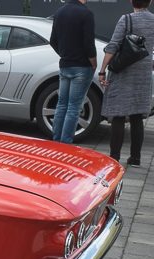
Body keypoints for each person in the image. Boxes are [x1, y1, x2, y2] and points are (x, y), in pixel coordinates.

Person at [98, 0, 154, 167]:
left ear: (131, 1)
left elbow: (113, 46)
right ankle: (135, 158)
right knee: (137, 116)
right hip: (143, 74)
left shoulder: (126, 19)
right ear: (149, 2)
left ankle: (114, 157)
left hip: (123, 71)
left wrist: (102, 70)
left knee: (118, 114)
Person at [49, 0, 97, 144]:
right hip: (82, 66)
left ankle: (56, 140)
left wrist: (64, 54)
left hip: (65, 65)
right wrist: (93, 63)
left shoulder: (59, 12)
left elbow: (53, 40)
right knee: (74, 107)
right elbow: (89, 43)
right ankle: (66, 143)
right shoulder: (86, 13)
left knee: (62, 104)